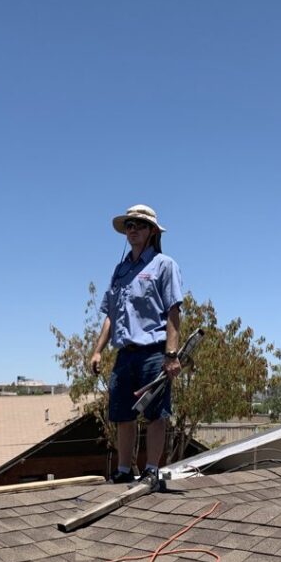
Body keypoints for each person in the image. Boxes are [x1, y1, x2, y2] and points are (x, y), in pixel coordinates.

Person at [90, 204, 183, 488]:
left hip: (154, 353)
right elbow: (111, 315)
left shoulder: (164, 265)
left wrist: (171, 354)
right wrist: (97, 350)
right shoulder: (121, 270)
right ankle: (123, 470)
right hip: (125, 354)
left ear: (152, 231)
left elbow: (173, 312)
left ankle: (152, 470)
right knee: (122, 414)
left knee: (156, 414)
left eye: (139, 225)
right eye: (129, 225)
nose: (133, 230)